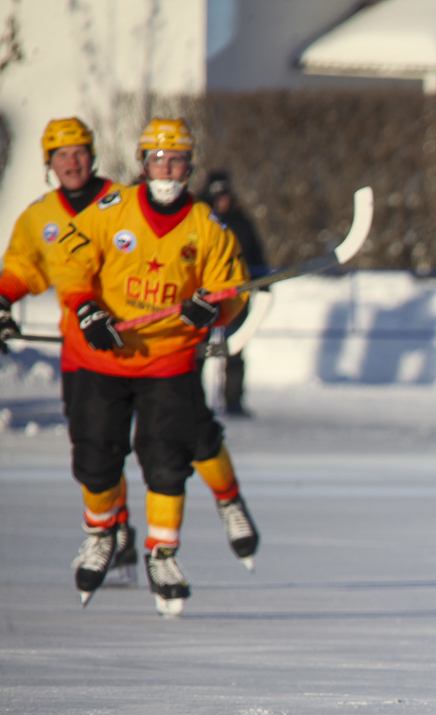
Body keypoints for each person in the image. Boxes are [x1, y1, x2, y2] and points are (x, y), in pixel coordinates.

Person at [52, 117, 261, 616]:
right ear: (143, 164)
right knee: (96, 457)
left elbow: (231, 292)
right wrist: (86, 309)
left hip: (167, 361)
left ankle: (162, 555)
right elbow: (71, 264)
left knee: (168, 460)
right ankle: (101, 534)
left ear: (190, 166)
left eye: (177, 161)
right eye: (158, 160)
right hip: (100, 357)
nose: (167, 169)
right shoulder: (110, 209)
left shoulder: (207, 227)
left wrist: (213, 308)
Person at [0, 118, 142, 586]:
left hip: (138, 346)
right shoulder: (40, 217)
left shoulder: (123, 203)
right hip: (82, 352)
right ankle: (115, 524)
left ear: (92, 154)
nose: (72, 162)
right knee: (92, 449)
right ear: (49, 163)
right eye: (61, 155)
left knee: (148, 445)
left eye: (79, 151)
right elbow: (21, 269)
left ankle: (125, 531)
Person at [198, 170, 266, 416]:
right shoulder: (198, 220)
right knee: (199, 350)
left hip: (236, 296)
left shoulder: (241, 222)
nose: (222, 201)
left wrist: (264, 283)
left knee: (234, 349)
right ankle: (194, 399)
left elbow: (256, 255)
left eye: (225, 195)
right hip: (204, 296)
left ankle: (233, 400)